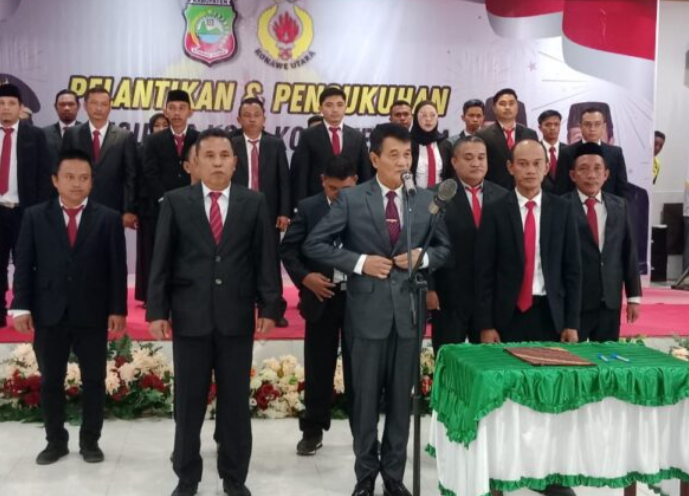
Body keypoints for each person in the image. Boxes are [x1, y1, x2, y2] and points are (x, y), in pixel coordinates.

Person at [303, 123, 451, 496]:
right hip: (366, 316)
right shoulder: (352, 199)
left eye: (408, 155)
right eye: (394, 155)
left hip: (409, 316)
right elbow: (315, 243)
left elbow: (445, 248)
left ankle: (394, 476)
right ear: (374, 158)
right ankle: (366, 475)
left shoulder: (425, 199)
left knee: (402, 402)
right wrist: (359, 262)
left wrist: (423, 258)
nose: (403, 162)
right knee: (365, 401)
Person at [147, 128, 280, 496]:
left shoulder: (254, 202)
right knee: (188, 403)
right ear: (194, 163)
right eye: (209, 156)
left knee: (235, 403)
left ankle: (234, 477)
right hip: (190, 317)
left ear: (235, 162)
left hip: (236, 318)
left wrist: (269, 306)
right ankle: (187, 476)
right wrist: (157, 310)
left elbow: (265, 259)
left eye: (224, 156)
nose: (218, 162)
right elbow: (161, 260)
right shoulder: (176, 201)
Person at [10, 149, 127, 465]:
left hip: (93, 312)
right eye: (70, 177)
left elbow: (117, 268)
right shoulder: (35, 216)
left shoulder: (108, 218)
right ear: (55, 180)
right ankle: (55, 441)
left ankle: (90, 441)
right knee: (51, 380)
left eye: (84, 178)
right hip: (49, 311)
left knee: (94, 380)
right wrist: (20, 306)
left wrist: (118, 309)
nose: (77, 184)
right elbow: (24, 264)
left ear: (92, 182)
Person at [280, 156, 357, 456]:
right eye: (333, 188)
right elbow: (289, 250)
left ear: (355, 182)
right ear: (323, 181)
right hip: (320, 298)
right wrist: (305, 278)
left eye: (345, 189)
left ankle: (363, 432)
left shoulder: (366, 204)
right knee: (318, 368)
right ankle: (312, 431)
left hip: (358, 299)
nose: (339, 195)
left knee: (360, 369)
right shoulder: (309, 208)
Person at [476, 139, 581, 345]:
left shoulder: (563, 210)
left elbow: (573, 271)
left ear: (547, 167)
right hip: (507, 315)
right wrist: (486, 325)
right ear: (510, 167)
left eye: (537, 163)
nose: (530, 170)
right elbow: (484, 272)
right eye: (523, 164)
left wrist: (572, 323)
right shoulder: (495, 210)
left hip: (551, 314)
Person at [427, 136, 507, 352]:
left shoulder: (503, 196)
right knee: (448, 359)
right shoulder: (436, 195)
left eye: (481, 157)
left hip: (490, 298)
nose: (476, 163)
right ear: (454, 162)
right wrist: (429, 287)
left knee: (488, 361)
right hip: (449, 295)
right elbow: (425, 243)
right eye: (469, 158)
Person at [567, 143, 641, 341]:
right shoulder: (561, 206)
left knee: (607, 356)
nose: (591, 175)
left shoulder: (620, 206)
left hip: (610, 300)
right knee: (572, 357)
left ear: (606, 174)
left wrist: (633, 297)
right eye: (584, 169)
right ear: (573, 175)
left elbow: (628, 252)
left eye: (597, 169)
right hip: (575, 302)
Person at [231, 97, 291, 327]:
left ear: (264, 118)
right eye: (247, 115)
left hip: (268, 212)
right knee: (238, 260)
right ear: (239, 119)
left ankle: (273, 310)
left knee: (270, 262)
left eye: (257, 115)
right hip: (237, 211)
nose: (252, 119)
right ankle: (238, 309)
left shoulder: (275, 144)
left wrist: (284, 212)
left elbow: (284, 181)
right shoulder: (231, 143)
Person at [0, 83, 53, 328]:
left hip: (25, 211)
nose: (5, 108)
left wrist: (39, 213)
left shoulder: (35, 135)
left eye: (11, 103)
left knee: (27, 263)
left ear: (21, 107)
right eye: (1, 104)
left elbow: (44, 177)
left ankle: (26, 308)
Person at [62, 86, 138, 228]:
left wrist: (129, 209)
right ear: (85, 105)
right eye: (94, 103)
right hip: (77, 206)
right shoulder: (72, 134)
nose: (99, 108)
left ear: (110, 107)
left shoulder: (124, 137)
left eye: (103, 104)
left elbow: (130, 176)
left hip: (113, 209)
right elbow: (64, 172)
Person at [290, 86, 372, 212]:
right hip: (317, 202)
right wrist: (300, 205)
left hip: (351, 202)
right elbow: (301, 174)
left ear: (346, 107)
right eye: (329, 105)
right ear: (320, 108)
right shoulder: (308, 136)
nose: (335, 110)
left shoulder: (357, 137)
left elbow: (365, 173)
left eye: (339, 105)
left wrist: (366, 202)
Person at [134, 112, 170, 304]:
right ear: (150, 128)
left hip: (171, 206)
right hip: (148, 208)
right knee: (148, 253)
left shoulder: (175, 149)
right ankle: (148, 295)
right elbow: (135, 179)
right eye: (157, 125)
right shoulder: (141, 149)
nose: (161, 129)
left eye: (165, 125)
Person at [555, 107, 629, 197]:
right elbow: (561, 189)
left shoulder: (615, 153)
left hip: (608, 204)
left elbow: (622, 189)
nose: (592, 129)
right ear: (580, 126)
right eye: (587, 124)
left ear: (603, 126)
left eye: (597, 124)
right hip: (574, 204)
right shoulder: (566, 152)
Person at [476, 88, 538, 189]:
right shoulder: (482, 135)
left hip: (524, 189)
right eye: (502, 104)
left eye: (511, 103)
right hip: (494, 191)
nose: (507, 107)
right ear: (494, 108)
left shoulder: (530, 134)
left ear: (517, 107)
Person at [410, 100, 453, 187]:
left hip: (440, 194)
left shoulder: (445, 144)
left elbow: (450, 175)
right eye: (424, 115)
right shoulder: (408, 143)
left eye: (432, 115)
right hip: (415, 194)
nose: (428, 119)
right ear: (415, 118)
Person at [43, 89, 82, 164]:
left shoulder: (87, 132)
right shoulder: (44, 134)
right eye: (62, 104)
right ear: (55, 107)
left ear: (78, 106)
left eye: (71, 104)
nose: (66, 108)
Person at [538, 109, 566, 193]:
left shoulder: (569, 150)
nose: (553, 128)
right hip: (542, 196)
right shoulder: (534, 150)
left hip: (565, 196)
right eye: (548, 125)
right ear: (540, 128)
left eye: (556, 124)